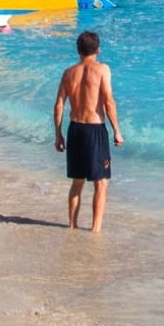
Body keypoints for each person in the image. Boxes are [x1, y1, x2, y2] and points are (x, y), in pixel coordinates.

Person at [54, 30, 124, 233]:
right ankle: (95, 230)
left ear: (78, 50)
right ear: (98, 49)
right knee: (101, 183)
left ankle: (72, 225)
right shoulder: (102, 69)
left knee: (77, 182)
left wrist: (58, 134)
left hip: (75, 129)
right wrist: (117, 131)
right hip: (94, 131)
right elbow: (108, 101)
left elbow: (59, 104)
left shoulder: (69, 72)